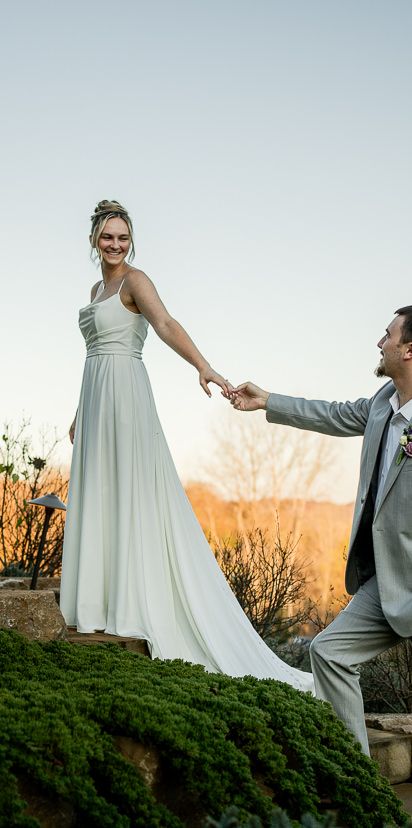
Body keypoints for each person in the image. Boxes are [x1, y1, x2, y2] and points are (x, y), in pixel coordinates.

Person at [231, 304, 412, 828]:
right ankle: (361, 797)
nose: (379, 340)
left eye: (389, 333)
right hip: (390, 581)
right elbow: (335, 413)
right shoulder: (383, 404)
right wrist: (268, 402)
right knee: (327, 652)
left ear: (410, 351)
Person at [60, 200, 314, 694]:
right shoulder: (97, 289)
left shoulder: (136, 281)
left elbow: (167, 325)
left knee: (131, 491)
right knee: (101, 493)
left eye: (123, 237)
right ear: (94, 240)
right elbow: (94, 354)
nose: (116, 245)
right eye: (108, 237)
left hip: (126, 397)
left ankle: (134, 602)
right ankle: (99, 601)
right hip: (97, 397)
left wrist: (204, 366)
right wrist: (79, 412)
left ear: (130, 241)